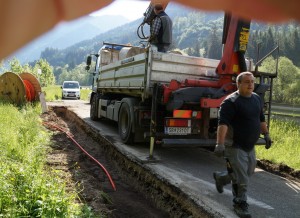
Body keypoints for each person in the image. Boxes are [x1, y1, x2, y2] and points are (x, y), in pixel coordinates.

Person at [213, 72, 272, 218]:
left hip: (249, 146)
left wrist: (266, 134)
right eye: (247, 82)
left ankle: (221, 178)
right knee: (242, 179)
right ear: (238, 84)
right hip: (234, 145)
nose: (251, 84)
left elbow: (261, 119)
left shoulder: (257, 99)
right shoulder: (230, 102)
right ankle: (240, 204)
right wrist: (220, 144)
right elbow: (223, 125)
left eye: (252, 81)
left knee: (248, 172)